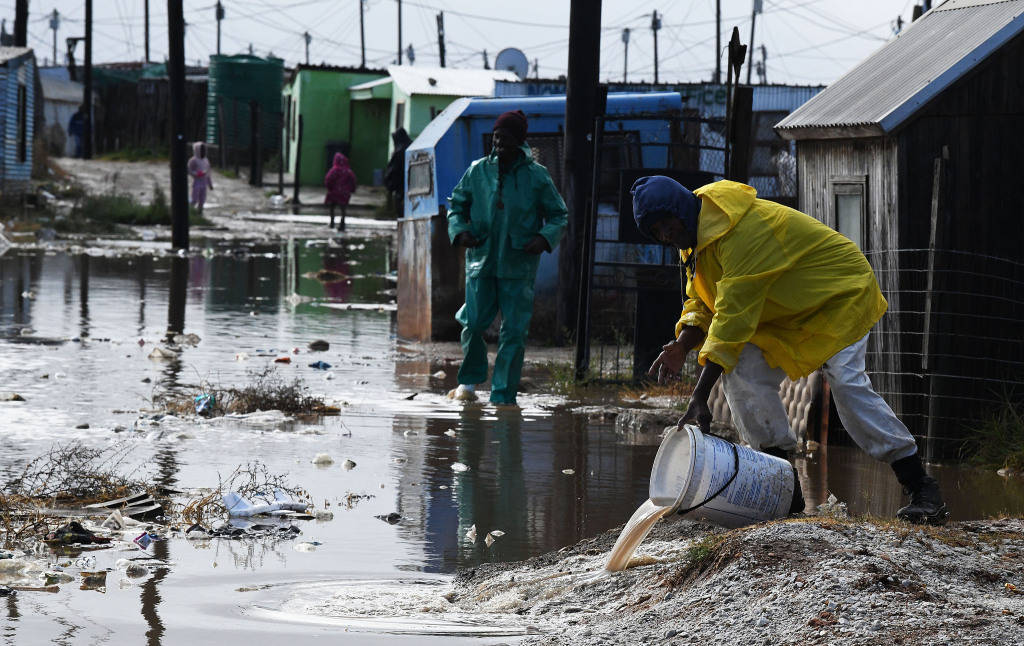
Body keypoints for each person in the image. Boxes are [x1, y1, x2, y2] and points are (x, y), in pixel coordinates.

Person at [634, 175, 948, 525]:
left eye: (666, 224)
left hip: (837, 295)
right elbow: (703, 301)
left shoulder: (741, 232)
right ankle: (788, 493)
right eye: (656, 232)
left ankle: (920, 485)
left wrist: (699, 396)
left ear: (681, 210)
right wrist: (680, 345)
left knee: (847, 385)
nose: (665, 235)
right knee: (741, 373)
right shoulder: (696, 239)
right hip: (788, 312)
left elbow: (732, 320)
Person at [446, 110, 567, 406]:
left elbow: (558, 215)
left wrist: (543, 238)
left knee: (513, 331)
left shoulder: (536, 176)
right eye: (497, 138)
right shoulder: (477, 170)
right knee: (473, 323)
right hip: (481, 261)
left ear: (519, 141)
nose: (499, 144)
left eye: (506, 139)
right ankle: (469, 382)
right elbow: (456, 205)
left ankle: (503, 397)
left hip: (518, 264)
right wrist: (460, 232)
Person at [324, 152, 357, 231]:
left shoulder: (334, 170)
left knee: (332, 207)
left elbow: (328, 179)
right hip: (344, 193)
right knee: (343, 208)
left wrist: (329, 187)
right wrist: (352, 189)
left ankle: (332, 222)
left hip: (334, 192)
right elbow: (353, 181)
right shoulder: (348, 171)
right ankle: (342, 222)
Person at [384, 128, 413, 217]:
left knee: (401, 213)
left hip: (401, 187)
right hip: (412, 185)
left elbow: (393, 169)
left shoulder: (400, 151)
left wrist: (389, 184)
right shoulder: (412, 146)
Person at [187, 142, 214, 214]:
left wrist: (210, 184)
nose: (203, 151)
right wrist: (197, 174)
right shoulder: (193, 160)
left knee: (202, 200)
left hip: (204, 183)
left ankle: (200, 213)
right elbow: (189, 170)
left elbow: (208, 173)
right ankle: (189, 212)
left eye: (204, 150)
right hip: (197, 182)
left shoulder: (206, 160)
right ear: (197, 150)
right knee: (194, 199)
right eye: (201, 150)